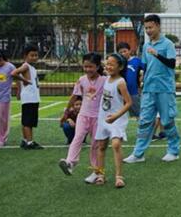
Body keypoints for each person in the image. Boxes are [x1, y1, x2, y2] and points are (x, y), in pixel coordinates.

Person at [123, 14, 181, 163]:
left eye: (150, 27)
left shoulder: (168, 44)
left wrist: (157, 55)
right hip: (149, 89)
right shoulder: (146, 46)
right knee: (145, 121)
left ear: (158, 26)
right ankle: (138, 154)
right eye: (146, 28)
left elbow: (172, 64)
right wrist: (141, 79)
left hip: (165, 89)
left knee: (167, 121)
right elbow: (145, 66)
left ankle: (173, 151)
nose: (148, 31)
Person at [58, 53, 106, 182]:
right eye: (85, 66)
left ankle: (96, 172)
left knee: (95, 145)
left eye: (91, 66)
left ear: (97, 66)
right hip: (83, 115)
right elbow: (74, 96)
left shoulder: (104, 80)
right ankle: (70, 163)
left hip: (98, 118)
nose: (88, 69)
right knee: (77, 138)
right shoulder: (81, 80)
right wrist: (66, 113)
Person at [93, 53, 132, 188]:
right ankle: (100, 174)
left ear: (120, 67)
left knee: (115, 144)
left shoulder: (120, 82)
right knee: (101, 146)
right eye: (107, 63)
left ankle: (119, 176)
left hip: (117, 119)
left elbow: (128, 103)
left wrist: (116, 116)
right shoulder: (105, 79)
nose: (108, 66)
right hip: (103, 117)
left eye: (111, 64)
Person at [12, 45, 43, 150]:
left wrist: (19, 88)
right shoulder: (25, 66)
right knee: (28, 121)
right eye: (32, 55)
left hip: (33, 98)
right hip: (29, 98)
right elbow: (14, 73)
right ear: (26, 56)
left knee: (28, 121)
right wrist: (24, 80)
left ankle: (25, 140)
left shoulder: (31, 67)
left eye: (36, 55)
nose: (34, 57)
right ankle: (30, 142)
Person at [117, 42, 143, 118]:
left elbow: (147, 69)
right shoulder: (118, 63)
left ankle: (143, 129)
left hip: (133, 93)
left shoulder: (136, 61)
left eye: (125, 51)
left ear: (129, 51)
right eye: (120, 52)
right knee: (119, 115)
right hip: (120, 94)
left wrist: (142, 79)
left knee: (139, 114)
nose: (123, 53)